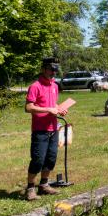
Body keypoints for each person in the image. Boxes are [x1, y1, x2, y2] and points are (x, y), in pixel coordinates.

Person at [24, 57, 68, 201]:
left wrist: (58, 109)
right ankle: (30, 188)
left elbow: (52, 105)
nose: (53, 73)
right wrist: (49, 109)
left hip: (53, 129)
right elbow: (28, 107)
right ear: (43, 69)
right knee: (37, 160)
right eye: (51, 70)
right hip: (40, 130)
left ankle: (44, 185)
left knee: (50, 159)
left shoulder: (54, 86)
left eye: (55, 71)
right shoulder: (35, 86)